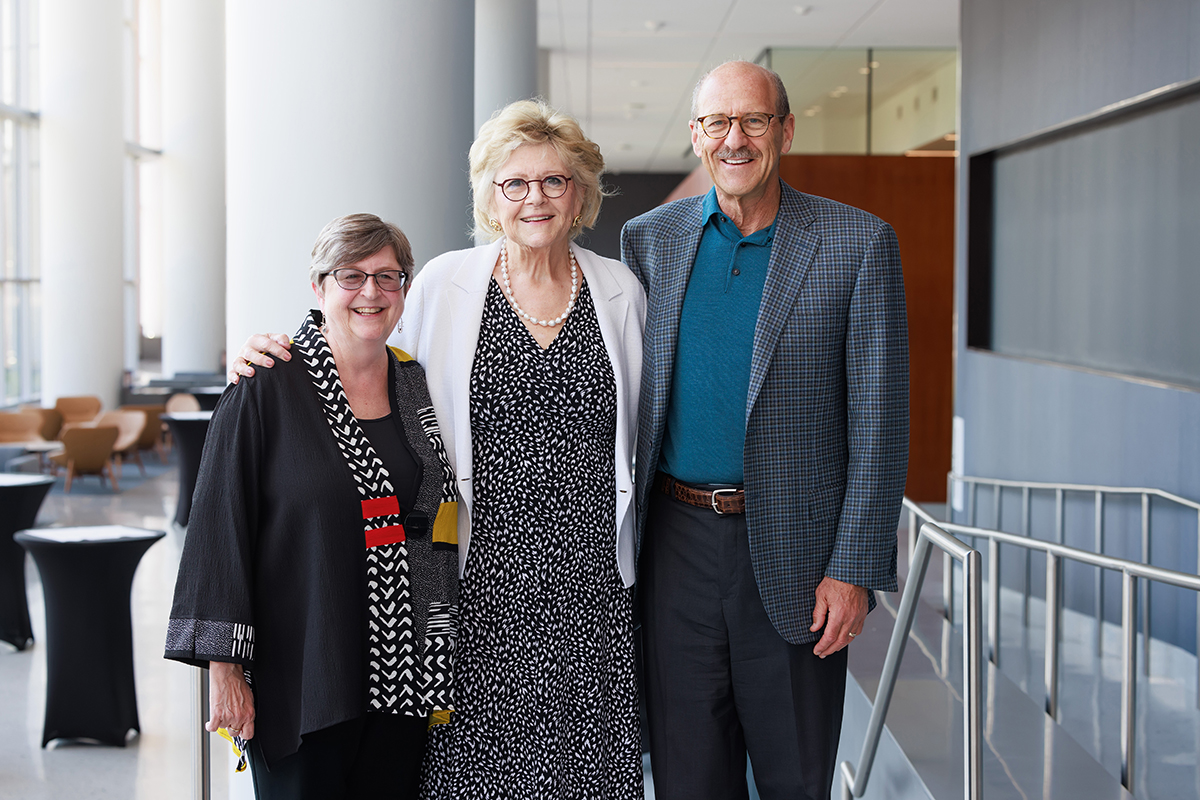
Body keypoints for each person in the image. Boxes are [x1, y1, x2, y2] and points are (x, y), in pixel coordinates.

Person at [230, 101, 646, 799]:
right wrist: (278, 351)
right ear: (490, 195)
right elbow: (366, 355)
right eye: (514, 183)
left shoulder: (620, 291)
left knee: (587, 769)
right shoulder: (445, 286)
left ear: (580, 194)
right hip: (471, 581)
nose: (535, 198)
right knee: (472, 774)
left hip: (590, 587)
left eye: (554, 181)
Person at [619, 61, 909, 800]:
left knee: (794, 777)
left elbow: (881, 423)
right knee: (686, 776)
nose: (735, 139)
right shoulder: (649, 240)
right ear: (696, 135)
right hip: (674, 551)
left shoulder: (857, 242)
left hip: (798, 556)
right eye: (718, 123)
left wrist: (855, 569)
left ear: (784, 130)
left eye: (753, 121)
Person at [166, 214, 461, 799]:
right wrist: (225, 671)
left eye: (388, 276)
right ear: (318, 286)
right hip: (303, 676)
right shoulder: (265, 386)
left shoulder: (416, 384)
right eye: (351, 276)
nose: (371, 293)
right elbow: (218, 529)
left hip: (406, 678)